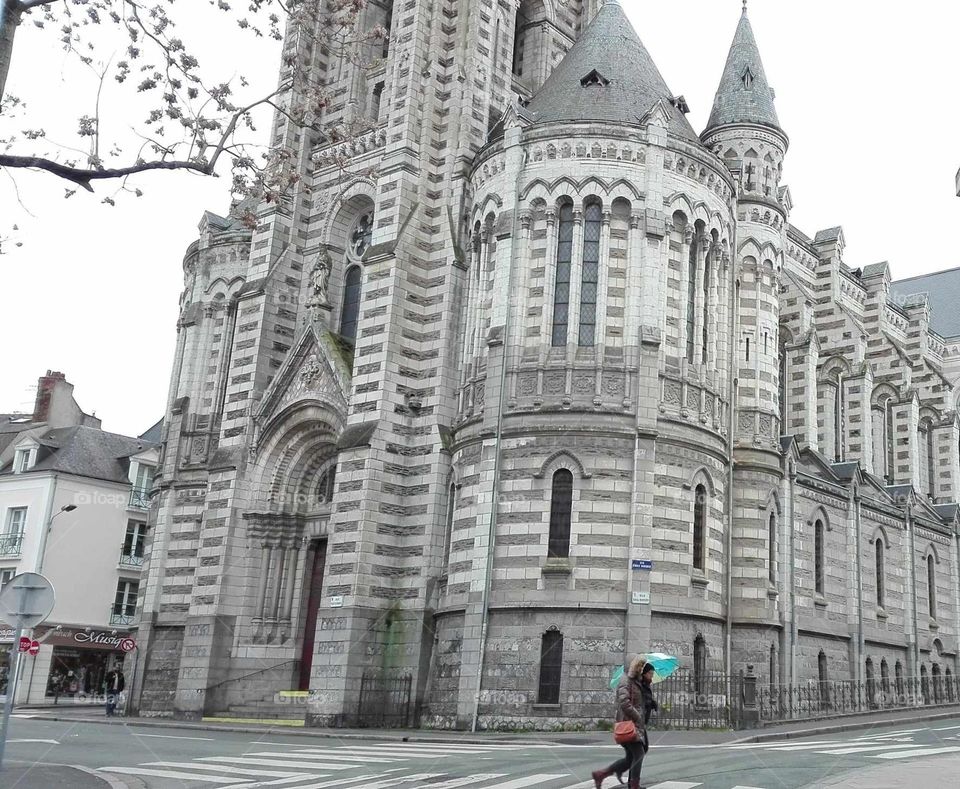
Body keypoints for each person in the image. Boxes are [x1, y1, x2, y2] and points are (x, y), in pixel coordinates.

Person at [592, 657, 658, 789]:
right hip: (628, 723)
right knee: (638, 754)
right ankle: (633, 785)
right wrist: (637, 715)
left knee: (632, 757)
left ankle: (601, 774)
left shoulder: (635, 681)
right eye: (640, 666)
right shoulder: (625, 680)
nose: (641, 669)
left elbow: (640, 699)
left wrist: (650, 702)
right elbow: (624, 703)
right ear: (633, 666)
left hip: (635, 723)